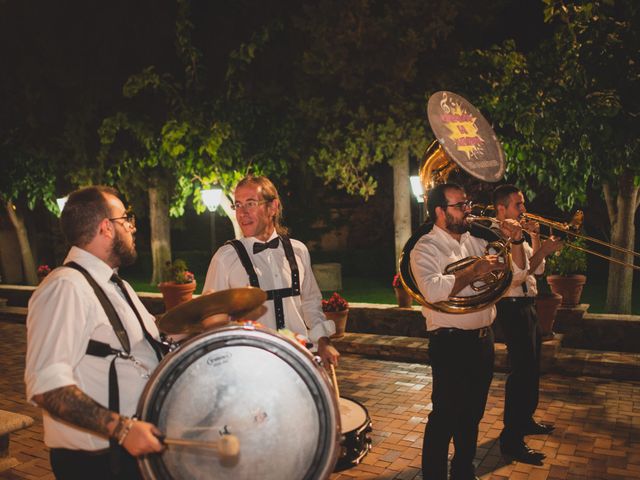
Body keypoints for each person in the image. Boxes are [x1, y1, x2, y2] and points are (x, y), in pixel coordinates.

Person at [25, 186, 165, 480]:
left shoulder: (114, 284)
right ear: (106, 228)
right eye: (126, 219)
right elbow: (47, 385)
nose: (131, 227)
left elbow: (146, 341)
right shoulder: (66, 287)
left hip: (126, 454)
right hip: (99, 464)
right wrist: (123, 429)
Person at [410, 183, 527, 480]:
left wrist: (514, 241)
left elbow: (514, 276)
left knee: (472, 415)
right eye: (460, 205)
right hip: (450, 343)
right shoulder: (425, 247)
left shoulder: (474, 241)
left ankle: (464, 471)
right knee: (444, 417)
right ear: (439, 211)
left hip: (482, 340)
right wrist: (473, 272)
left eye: (468, 203)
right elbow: (434, 290)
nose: (468, 210)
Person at [203, 175, 340, 366]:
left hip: (299, 361)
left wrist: (324, 341)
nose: (242, 213)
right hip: (251, 367)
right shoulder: (225, 258)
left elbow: (310, 302)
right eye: (238, 205)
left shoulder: (298, 251)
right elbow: (210, 317)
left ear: (272, 207)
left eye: (250, 204)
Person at [493, 184, 563, 463]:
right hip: (511, 306)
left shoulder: (518, 234)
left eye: (522, 203)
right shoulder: (497, 236)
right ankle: (511, 438)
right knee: (521, 373)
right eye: (518, 205)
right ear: (502, 208)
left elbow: (538, 271)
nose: (524, 209)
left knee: (532, 368)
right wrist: (542, 250)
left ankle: (525, 420)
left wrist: (535, 241)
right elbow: (517, 276)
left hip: (528, 304)